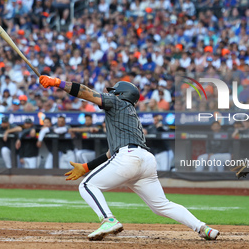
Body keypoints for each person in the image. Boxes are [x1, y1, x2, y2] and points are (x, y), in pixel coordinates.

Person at [39, 75, 219, 241]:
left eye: (114, 92)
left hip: (129, 157)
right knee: (161, 205)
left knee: (87, 185)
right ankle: (203, 228)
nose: (110, 94)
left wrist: (58, 83)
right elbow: (111, 152)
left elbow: (86, 93)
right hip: (145, 161)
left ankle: (108, 220)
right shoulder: (130, 115)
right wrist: (87, 166)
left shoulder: (117, 102)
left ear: (121, 94)